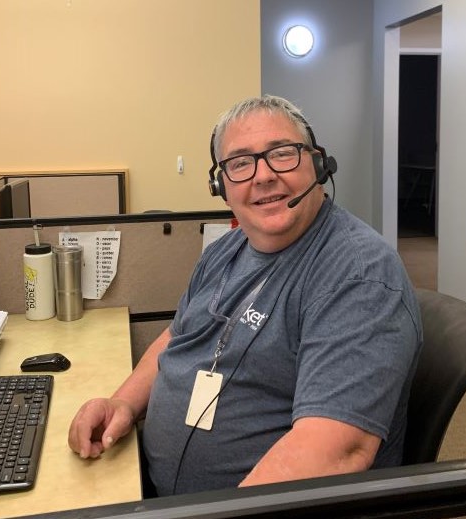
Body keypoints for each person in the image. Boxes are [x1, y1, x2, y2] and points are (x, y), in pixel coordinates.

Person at [68, 94, 422, 496]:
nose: (263, 175)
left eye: (282, 154)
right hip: (157, 490)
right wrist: (123, 405)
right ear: (220, 185)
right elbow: (177, 338)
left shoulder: (357, 275)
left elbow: (337, 452)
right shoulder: (227, 249)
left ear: (318, 164)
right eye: (240, 163)